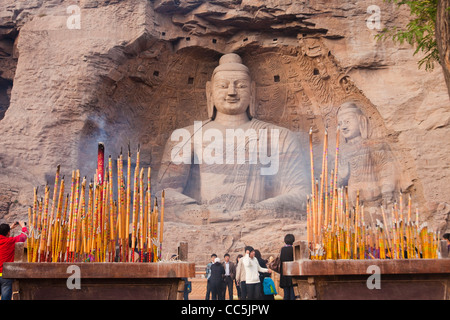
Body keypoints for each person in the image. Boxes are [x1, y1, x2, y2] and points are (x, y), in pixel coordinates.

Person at [157, 53, 308, 224]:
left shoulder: (280, 136)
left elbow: (302, 196)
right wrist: (203, 214)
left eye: (241, 86)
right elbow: (162, 196)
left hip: (258, 225)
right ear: (209, 91)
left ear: (252, 91)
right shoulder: (186, 136)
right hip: (202, 226)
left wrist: (260, 210)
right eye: (223, 86)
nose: (231, 92)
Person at [0, 221, 28, 300]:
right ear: (8, 233)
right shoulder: (9, 242)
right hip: (5, 275)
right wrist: (23, 226)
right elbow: (24, 236)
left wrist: (10, 228)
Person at [279, 233, 295, 300]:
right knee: (292, 294)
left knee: (286, 295)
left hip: (284, 274)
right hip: (292, 274)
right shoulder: (293, 249)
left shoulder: (282, 249)